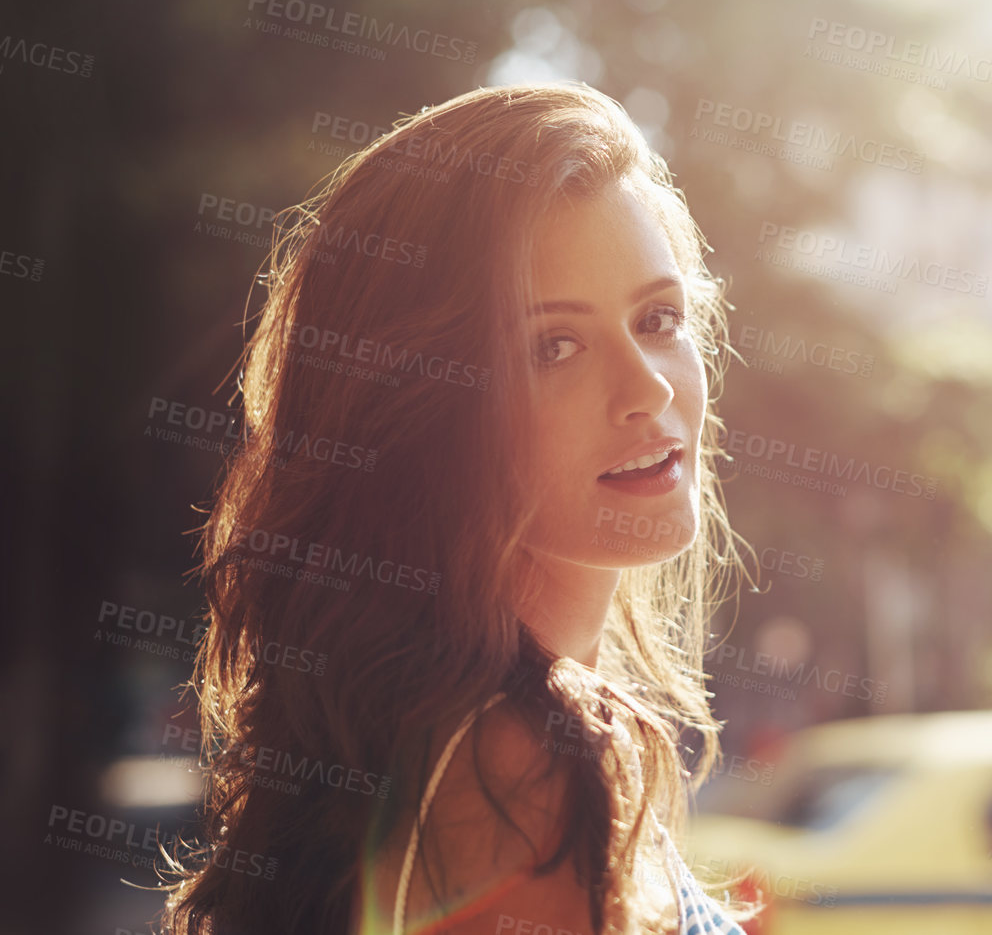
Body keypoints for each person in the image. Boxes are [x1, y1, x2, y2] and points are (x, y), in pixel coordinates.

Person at [159, 82, 756, 935]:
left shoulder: (428, 733)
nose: (649, 386)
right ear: (421, 407)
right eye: (555, 345)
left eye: (659, 318)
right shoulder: (520, 767)